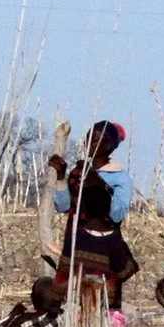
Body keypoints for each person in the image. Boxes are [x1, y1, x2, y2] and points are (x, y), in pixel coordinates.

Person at [49, 119, 139, 311]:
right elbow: (63, 206)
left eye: (95, 140)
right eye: (88, 138)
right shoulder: (79, 171)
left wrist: (100, 188)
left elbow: (117, 216)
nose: (88, 144)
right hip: (76, 244)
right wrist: (60, 177)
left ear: (108, 146)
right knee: (69, 304)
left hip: (104, 249)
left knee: (100, 305)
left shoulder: (120, 178)